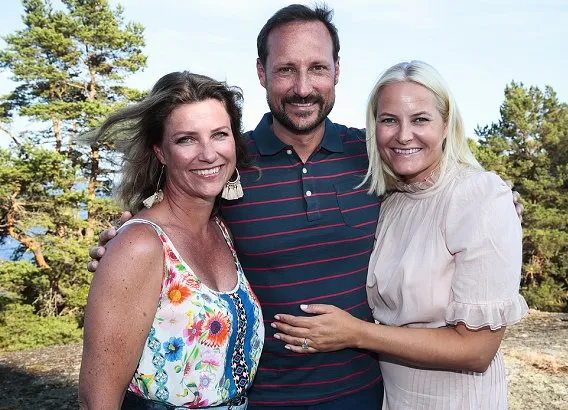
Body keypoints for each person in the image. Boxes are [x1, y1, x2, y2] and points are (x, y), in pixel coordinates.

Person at [88, 5, 523, 409]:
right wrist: (125, 241)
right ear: (262, 73)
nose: (302, 87)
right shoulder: (230, 164)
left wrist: (498, 204)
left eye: (317, 68)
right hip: (261, 400)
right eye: (285, 70)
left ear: (337, 71)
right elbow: (175, 221)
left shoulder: (372, 156)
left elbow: (438, 190)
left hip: (368, 396)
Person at [272, 61, 528, 409]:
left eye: (420, 119)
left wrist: (356, 334)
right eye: (389, 120)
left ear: (445, 125)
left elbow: (476, 351)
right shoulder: (391, 200)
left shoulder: (479, 197)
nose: (403, 134)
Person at [78, 72, 264, 410]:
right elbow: (96, 399)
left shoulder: (221, 231)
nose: (208, 154)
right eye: (186, 140)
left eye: (219, 135)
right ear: (160, 152)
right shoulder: (141, 244)